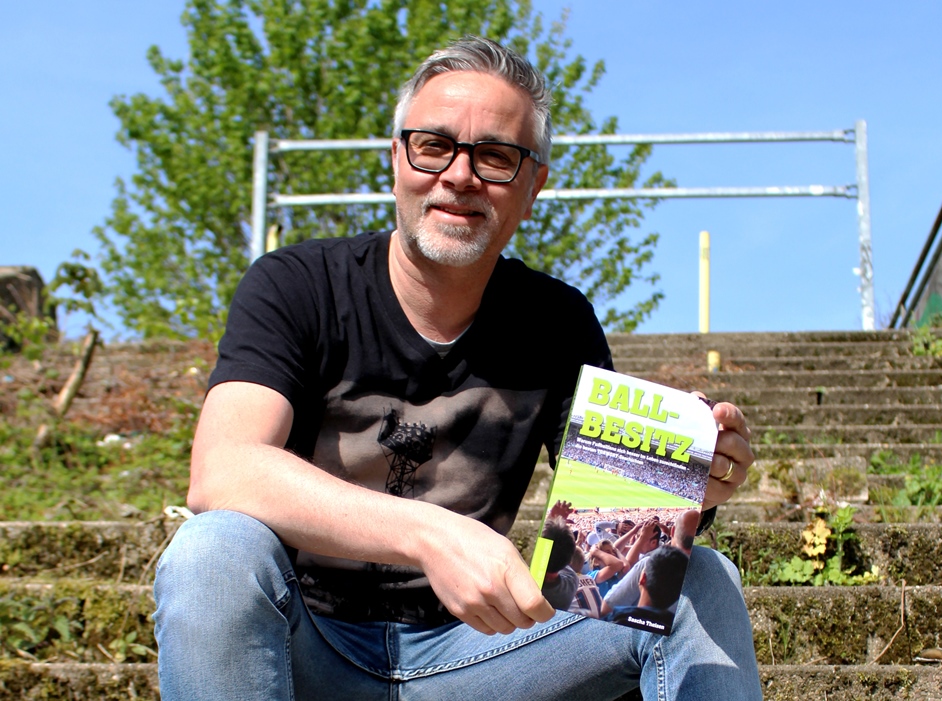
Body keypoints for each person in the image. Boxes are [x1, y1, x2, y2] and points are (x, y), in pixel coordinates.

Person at [153, 35, 760, 701]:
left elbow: (606, 551)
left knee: (702, 579)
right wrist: (429, 535)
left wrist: (685, 485)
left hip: (480, 655)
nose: (460, 174)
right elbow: (224, 468)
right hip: (305, 644)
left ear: (532, 186)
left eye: (495, 156)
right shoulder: (296, 284)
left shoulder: (558, 321)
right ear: (396, 158)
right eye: (434, 145)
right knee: (212, 551)